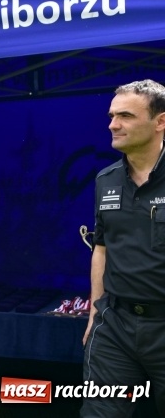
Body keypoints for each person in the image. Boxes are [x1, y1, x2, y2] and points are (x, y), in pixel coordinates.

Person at [82, 79, 165, 417]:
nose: (112, 124)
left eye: (126, 116)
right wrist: (94, 314)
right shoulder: (106, 179)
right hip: (114, 326)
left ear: (160, 121)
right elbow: (101, 247)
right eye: (112, 115)